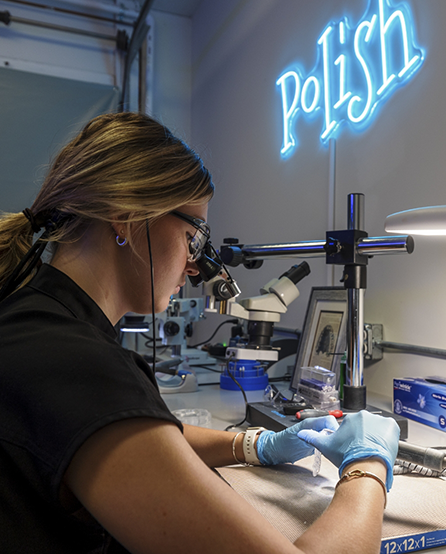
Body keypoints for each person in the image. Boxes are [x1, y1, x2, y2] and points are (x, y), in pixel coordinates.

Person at [0, 111, 400, 554]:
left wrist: (255, 444)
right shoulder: (75, 365)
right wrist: (367, 466)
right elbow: (105, 415)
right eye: (194, 235)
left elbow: (137, 435)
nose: (195, 265)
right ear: (129, 219)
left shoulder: (39, 322)